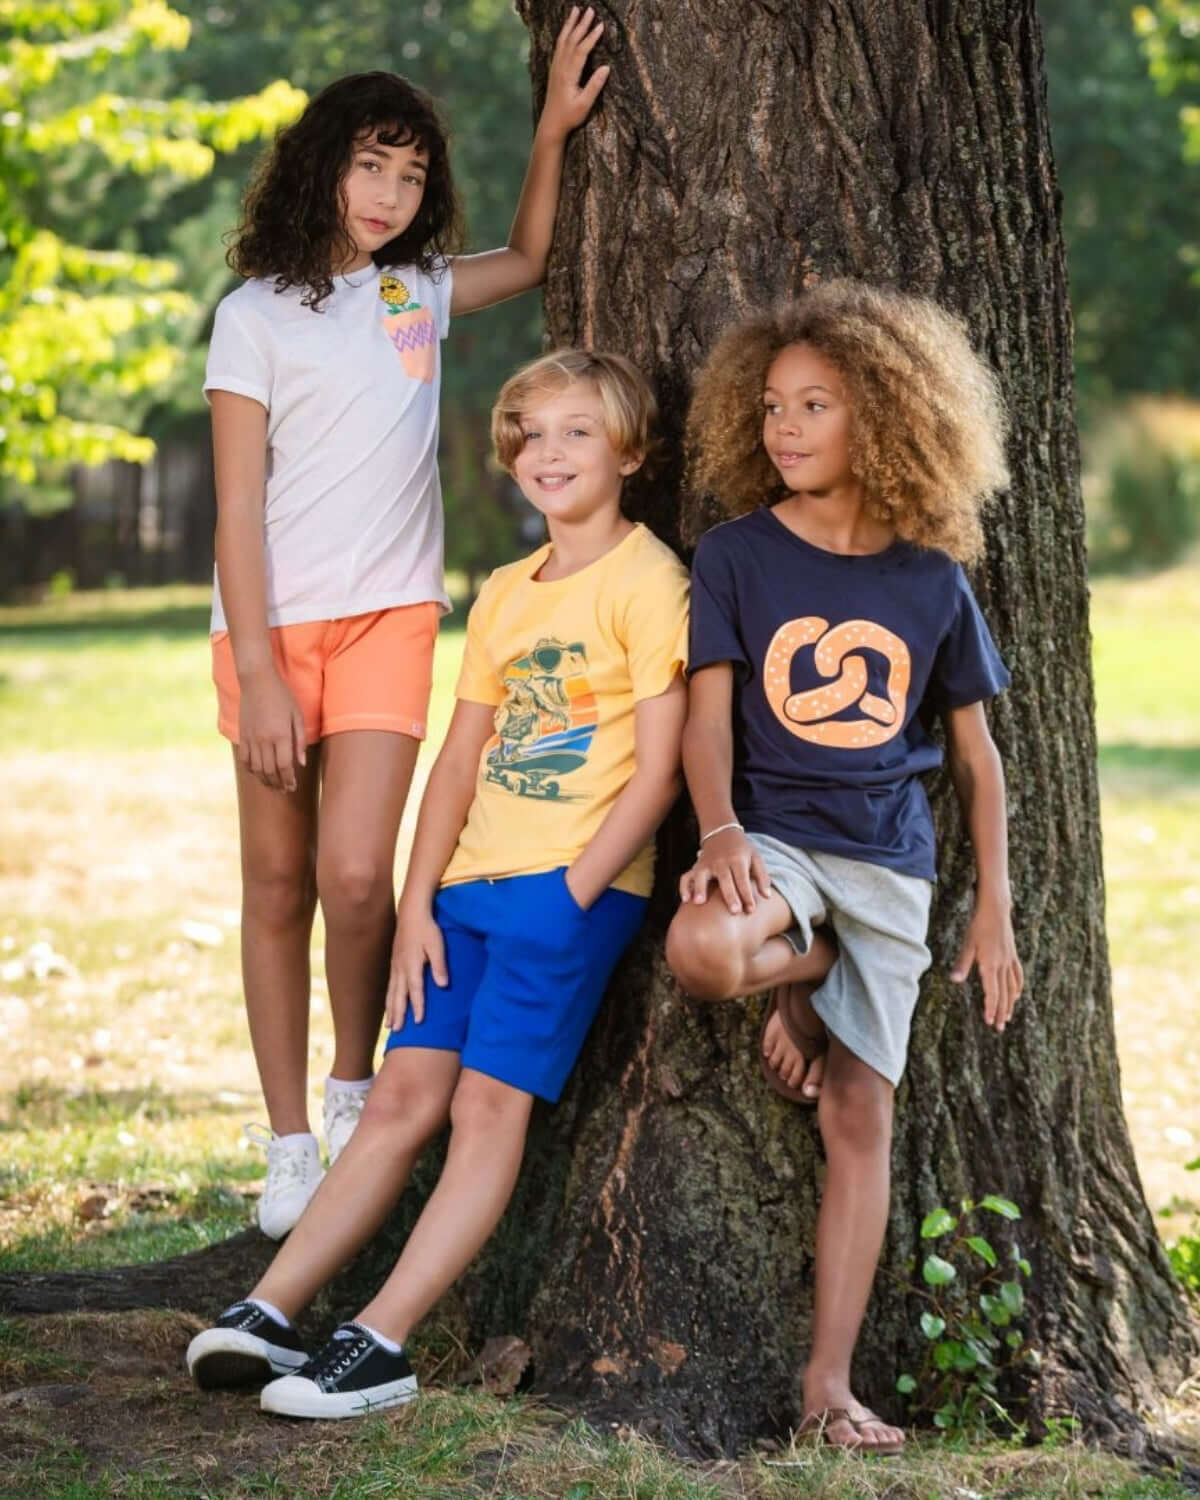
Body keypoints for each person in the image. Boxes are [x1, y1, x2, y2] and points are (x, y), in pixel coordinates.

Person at [186, 349, 690, 1420]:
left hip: (570, 894)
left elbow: (662, 768)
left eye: (578, 433)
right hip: (463, 896)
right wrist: (418, 906)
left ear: (631, 455)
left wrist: (577, 892)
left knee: (485, 1105)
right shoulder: (507, 593)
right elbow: (457, 763)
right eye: (531, 435)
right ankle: (271, 1312)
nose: (548, 453)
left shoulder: (652, 583)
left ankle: (383, 1339)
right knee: (401, 1101)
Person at [205, 10, 611, 1238]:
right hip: (269, 634)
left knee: (354, 878)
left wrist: (550, 127)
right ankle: (285, 1144)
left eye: (412, 173)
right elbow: (235, 512)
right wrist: (264, 676)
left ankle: (348, 1090)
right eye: (370, 165)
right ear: (323, 164)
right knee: (277, 883)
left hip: (388, 619)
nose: (389, 193)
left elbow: (535, 258)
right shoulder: (255, 315)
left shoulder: (413, 290)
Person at [665, 280, 1023, 1455]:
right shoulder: (735, 556)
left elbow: (977, 760)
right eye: (772, 406)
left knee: (860, 1117)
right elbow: (707, 719)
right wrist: (719, 832)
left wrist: (996, 909)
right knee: (708, 951)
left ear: (890, 415)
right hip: (774, 848)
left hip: (891, 872)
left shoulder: (930, 580)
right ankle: (805, 973)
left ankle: (829, 1388)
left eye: (816, 405)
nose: (786, 428)